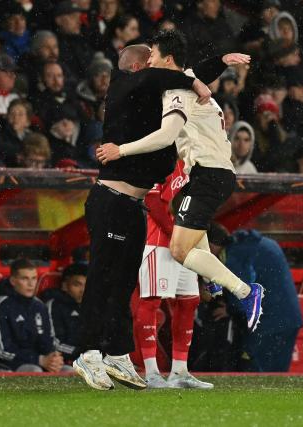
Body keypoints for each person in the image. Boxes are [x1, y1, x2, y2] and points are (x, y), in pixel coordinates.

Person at [72, 36, 221, 391]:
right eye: (151, 60)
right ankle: (87, 352)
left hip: (132, 205)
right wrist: (194, 82)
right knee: (102, 277)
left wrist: (219, 64)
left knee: (124, 282)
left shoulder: (148, 89)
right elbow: (162, 77)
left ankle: (117, 353)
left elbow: (175, 73)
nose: (156, 65)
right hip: (111, 199)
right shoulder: (125, 83)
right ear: (139, 66)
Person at [96, 31, 264, 346]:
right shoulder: (184, 81)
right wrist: (224, 60)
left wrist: (121, 149)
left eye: (154, 56)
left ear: (167, 59)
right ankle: (212, 278)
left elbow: (166, 134)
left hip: (207, 174)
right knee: (182, 217)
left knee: (179, 249)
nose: (149, 62)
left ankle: (245, 291)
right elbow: (200, 72)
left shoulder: (177, 89)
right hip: (206, 174)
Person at [135, 160, 213, 389]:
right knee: (151, 302)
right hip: (158, 242)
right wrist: (176, 234)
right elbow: (152, 201)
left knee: (189, 302)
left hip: (184, 242)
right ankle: (150, 372)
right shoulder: (162, 155)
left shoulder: (195, 162)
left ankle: (179, 371)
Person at [207, 224, 303, 372]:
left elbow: (243, 293)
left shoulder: (235, 255)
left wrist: (231, 309)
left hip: (269, 324)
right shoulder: (255, 243)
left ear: (211, 245)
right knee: (277, 376)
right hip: (288, 318)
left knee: (257, 373)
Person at [0, 259, 63, 372]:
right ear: (13, 281)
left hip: (39, 361)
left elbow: (48, 341)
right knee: (35, 371)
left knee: (71, 371)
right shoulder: (0, 305)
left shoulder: (39, 306)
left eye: (34, 278)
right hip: (7, 364)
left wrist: (54, 357)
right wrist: (39, 360)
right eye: (25, 278)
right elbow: (2, 351)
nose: (31, 284)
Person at [40, 263, 87, 363]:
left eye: (86, 285)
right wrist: (80, 353)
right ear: (65, 285)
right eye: (77, 285)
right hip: (61, 361)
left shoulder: (91, 305)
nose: (82, 290)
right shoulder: (53, 306)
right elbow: (53, 342)